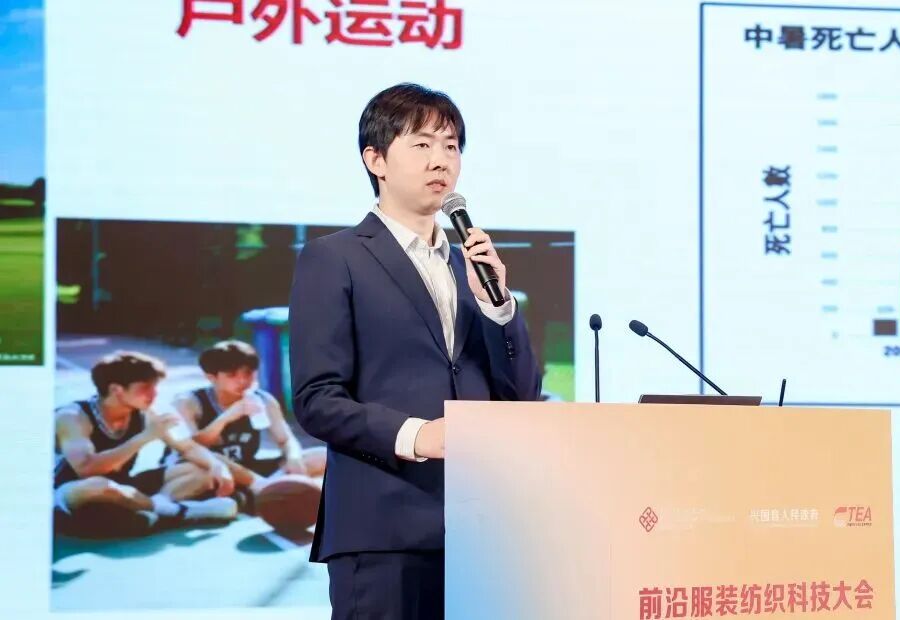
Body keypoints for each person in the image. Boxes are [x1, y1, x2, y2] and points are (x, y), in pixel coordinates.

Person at [289, 83, 542, 619]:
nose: (441, 160)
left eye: (451, 146)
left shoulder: (470, 267)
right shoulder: (334, 258)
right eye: (422, 144)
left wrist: (499, 309)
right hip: (383, 529)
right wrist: (418, 435)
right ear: (375, 160)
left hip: (481, 532)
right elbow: (317, 398)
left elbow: (521, 396)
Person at [53, 351, 238, 538]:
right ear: (116, 389)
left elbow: (187, 447)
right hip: (72, 491)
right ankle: (179, 512)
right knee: (100, 487)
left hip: (124, 486)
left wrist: (217, 465)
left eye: (155, 386)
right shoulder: (72, 417)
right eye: (145, 387)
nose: (154, 393)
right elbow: (86, 469)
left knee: (199, 470)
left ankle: (151, 513)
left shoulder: (146, 412)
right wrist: (144, 437)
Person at [171, 340, 326, 505]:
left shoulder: (263, 400)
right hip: (204, 468)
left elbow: (285, 439)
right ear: (212, 377)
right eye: (232, 375)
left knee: (325, 456)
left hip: (246, 468)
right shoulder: (189, 402)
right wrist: (227, 417)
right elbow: (191, 447)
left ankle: (259, 492)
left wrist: (293, 457)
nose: (242, 381)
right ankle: (265, 490)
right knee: (213, 459)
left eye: (248, 373)